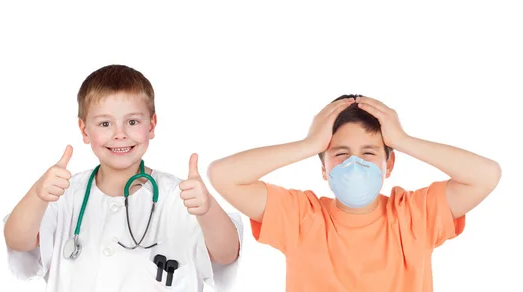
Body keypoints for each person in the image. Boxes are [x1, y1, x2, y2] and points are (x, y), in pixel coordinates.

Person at [207, 94, 501, 291]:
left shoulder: (414, 216)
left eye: (369, 153)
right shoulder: (301, 217)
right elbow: (223, 176)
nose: (354, 164)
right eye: (341, 153)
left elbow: (486, 176)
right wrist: (309, 144)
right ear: (323, 167)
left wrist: (402, 139)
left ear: (389, 164)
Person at [3, 64, 243, 292]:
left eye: (132, 122)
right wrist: (36, 195)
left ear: (151, 125)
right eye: (105, 123)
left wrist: (208, 209)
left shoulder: (181, 198)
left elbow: (226, 254)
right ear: (85, 130)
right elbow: (18, 241)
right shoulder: (63, 194)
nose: (120, 134)